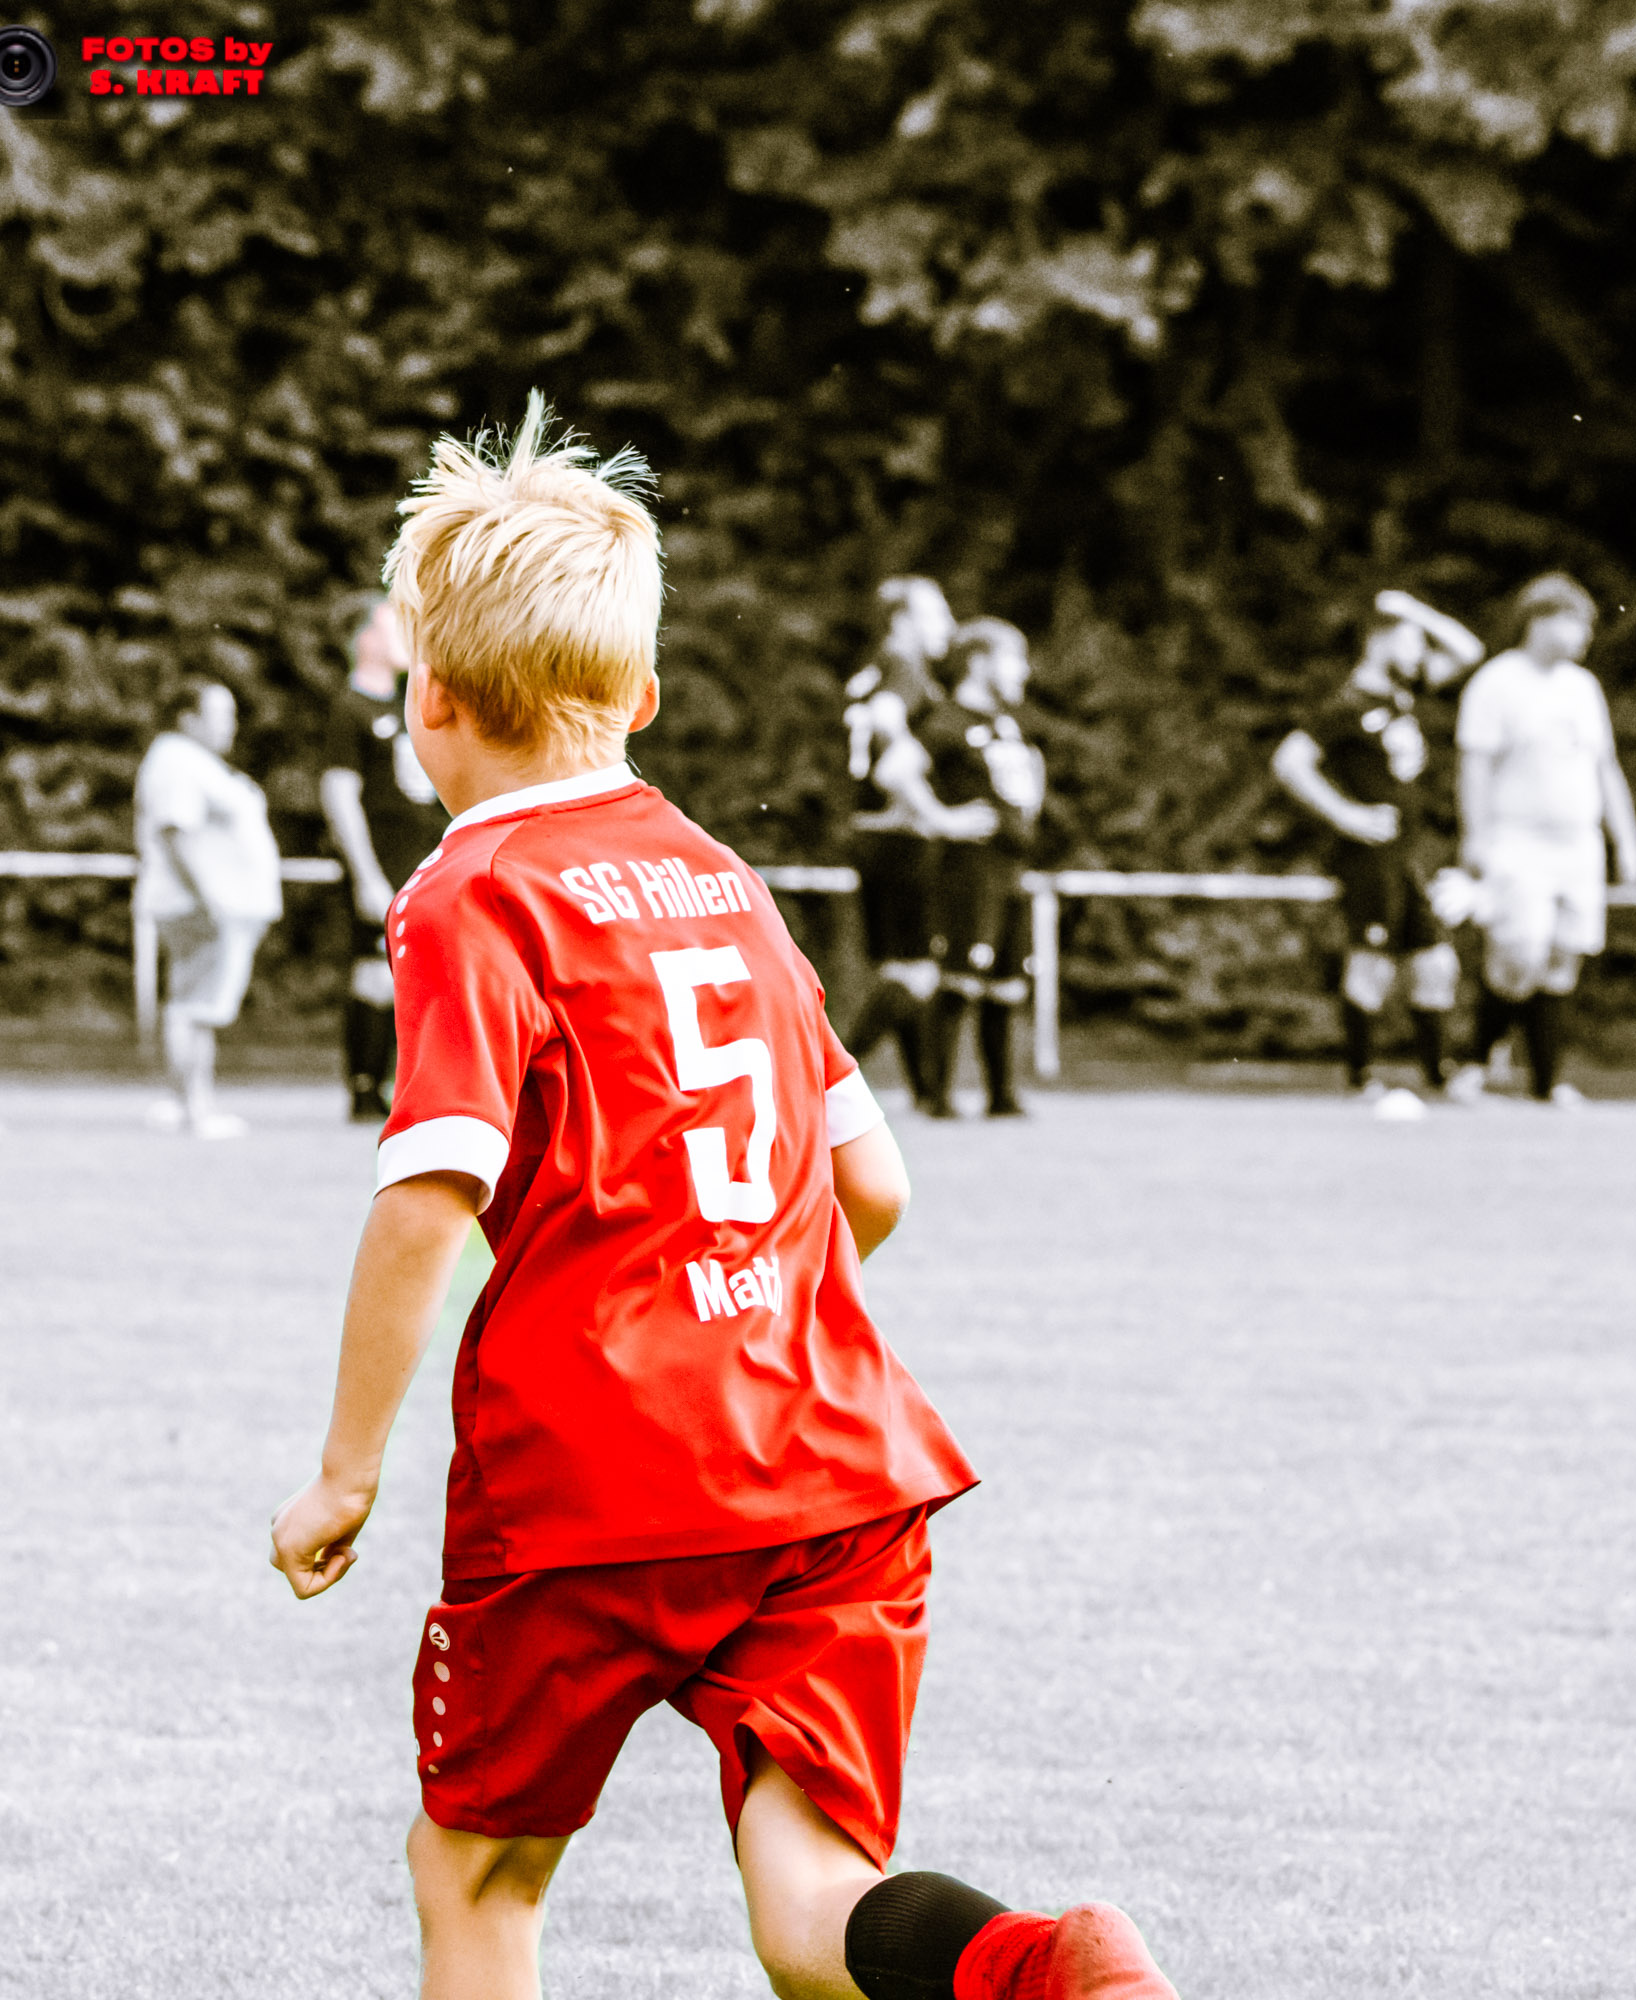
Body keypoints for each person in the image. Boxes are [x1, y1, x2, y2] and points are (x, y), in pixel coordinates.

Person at [265, 394, 1180, 2000]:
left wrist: (345, 1472)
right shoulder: (719, 875)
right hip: (832, 1466)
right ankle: (1041, 1969)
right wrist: (740, 1304)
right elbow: (872, 1183)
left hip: (592, 1480)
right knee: (814, 1910)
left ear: (430, 697)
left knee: (478, 1869)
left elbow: (429, 1193)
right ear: (643, 695)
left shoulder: (472, 889)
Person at [1271, 588, 1484, 1108]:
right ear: (1378, 640)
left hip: (1407, 854)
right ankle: (1359, 1078)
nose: (1419, 652)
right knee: (1372, 964)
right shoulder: (1346, 704)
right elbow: (1289, 761)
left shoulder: (1401, 695)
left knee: (1435, 964)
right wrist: (1345, 814)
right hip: (1369, 858)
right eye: (1410, 640)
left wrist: (1417, 612)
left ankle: (1437, 1076)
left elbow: (1469, 651)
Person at [1451, 571, 1636, 1106]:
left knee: (1562, 958)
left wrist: (1627, 840)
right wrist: (1476, 835)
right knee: (1520, 953)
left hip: (1578, 843)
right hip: (1517, 839)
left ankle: (1545, 1082)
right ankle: (1474, 1063)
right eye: (1577, 623)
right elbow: (1475, 766)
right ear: (1539, 620)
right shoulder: (1497, 682)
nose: (1586, 636)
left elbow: (1605, 768)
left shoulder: (1583, 687)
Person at [837, 576, 998, 1110]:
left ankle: (927, 1093)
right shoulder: (905, 669)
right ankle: (823, 1075)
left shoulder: (871, 669)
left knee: (898, 970)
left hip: (869, 832)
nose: (948, 626)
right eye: (937, 614)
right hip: (901, 836)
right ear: (903, 621)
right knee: (920, 974)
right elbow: (890, 734)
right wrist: (939, 815)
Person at [135, 677, 284, 1138]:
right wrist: (210, 898)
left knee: (195, 1006)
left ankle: (189, 1104)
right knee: (195, 1008)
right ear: (188, 718)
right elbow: (175, 832)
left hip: (208, 905)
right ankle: (194, 1109)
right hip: (200, 905)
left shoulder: (194, 763)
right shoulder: (177, 760)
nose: (230, 726)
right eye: (220, 715)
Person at [320, 598, 449, 1121]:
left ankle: (409, 1084)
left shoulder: (407, 707)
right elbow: (338, 792)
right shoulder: (348, 708)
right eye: (393, 627)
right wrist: (366, 874)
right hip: (384, 865)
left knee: (422, 975)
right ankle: (364, 1087)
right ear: (364, 639)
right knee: (376, 974)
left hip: (424, 865)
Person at [910, 616, 1043, 1120]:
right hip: (968, 871)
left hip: (1011, 867)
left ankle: (1001, 1094)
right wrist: (944, 820)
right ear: (980, 661)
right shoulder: (946, 723)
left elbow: (1027, 778)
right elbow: (897, 769)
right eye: (1014, 658)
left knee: (1007, 983)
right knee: (961, 979)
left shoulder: (1008, 722)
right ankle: (937, 1095)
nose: (1023, 671)